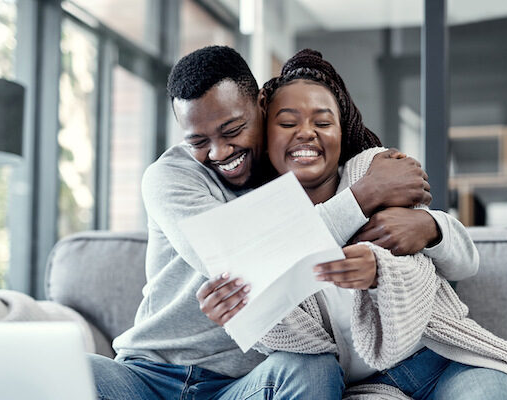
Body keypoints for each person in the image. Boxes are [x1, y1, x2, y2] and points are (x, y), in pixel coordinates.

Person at [89, 45, 475, 399]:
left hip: (245, 385)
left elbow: (438, 253)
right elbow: (240, 258)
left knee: (313, 370)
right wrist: (365, 197)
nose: (220, 152)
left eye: (232, 130)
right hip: (148, 376)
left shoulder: (302, 174)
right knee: (72, 371)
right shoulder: (171, 177)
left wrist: (429, 226)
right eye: (198, 141)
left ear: (261, 105)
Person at [199, 49, 507, 400]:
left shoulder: (374, 172)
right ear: (266, 139)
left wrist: (424, 233)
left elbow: (444, 265)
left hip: (443, 356)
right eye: (287, 122)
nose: (306, 132)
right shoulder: (259, 225)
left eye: (323, 121)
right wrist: (243, 313)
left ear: (341, 132)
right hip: (370, 385)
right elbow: (296, 344)